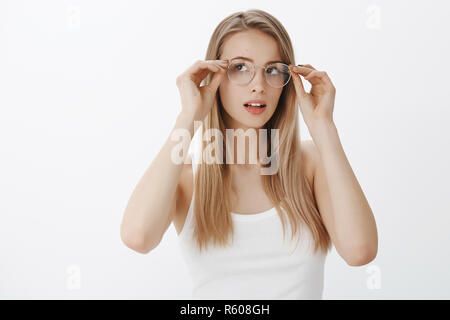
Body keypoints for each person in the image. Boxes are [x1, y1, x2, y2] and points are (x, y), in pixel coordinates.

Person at [120, 9, 378, 300]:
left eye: (272, 70)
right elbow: (137, 237)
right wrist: (188, 118)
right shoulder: (187, 177)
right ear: (214, 76)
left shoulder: (311, 164)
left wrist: (324, 128)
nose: (258, 85)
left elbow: (360, 251)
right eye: (240, 68)